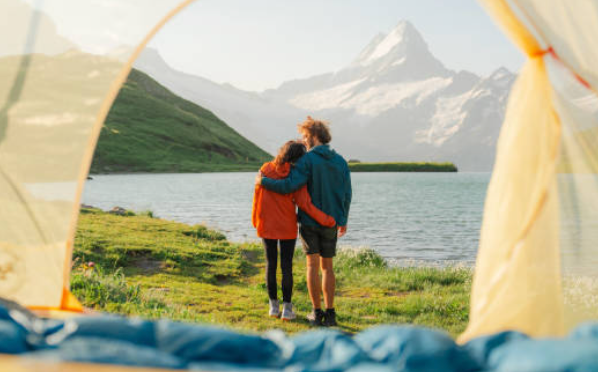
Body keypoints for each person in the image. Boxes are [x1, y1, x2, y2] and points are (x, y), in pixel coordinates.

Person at [256, 117, 352, 327]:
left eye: (306, 136)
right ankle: (331, 314)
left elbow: (290, 185)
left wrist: (263, 181)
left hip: (309, 222)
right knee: (328, 267)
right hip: (332, 222)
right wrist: (342, 219)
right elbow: (347, 193)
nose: (304, 141)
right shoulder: (341, 161)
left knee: (312, 265)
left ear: (315, 136)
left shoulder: (307, 161)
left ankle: (316, 314)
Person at [252, 140, 336, 321]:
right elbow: (305, 205)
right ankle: (287, 310)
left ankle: (273, 307)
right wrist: (327, 220)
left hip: (266, 226)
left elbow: (257, 198)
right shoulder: (294, 176)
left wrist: (255, 221)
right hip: (287, 227)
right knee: (286, 267)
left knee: (270, 265)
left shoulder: (265, 169)